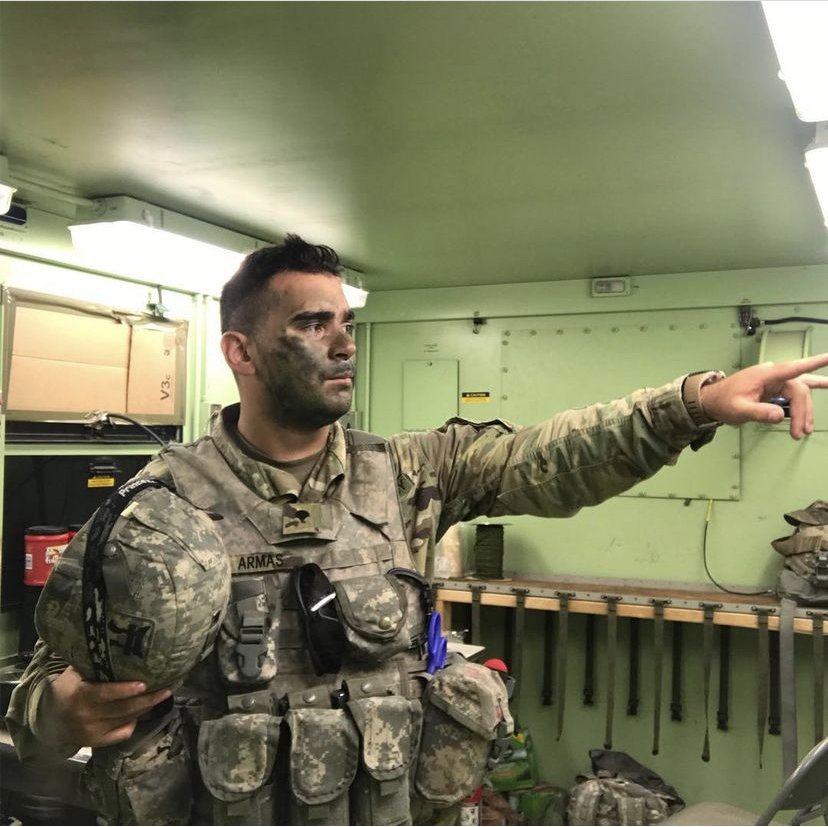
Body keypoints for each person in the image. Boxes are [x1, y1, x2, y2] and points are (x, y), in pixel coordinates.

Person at [8, 234, 828, 825]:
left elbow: (552, 456)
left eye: (345, 322)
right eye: (310, 324)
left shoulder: (403, 474)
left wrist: (692, 403)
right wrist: (57, 709)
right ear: (241, 351)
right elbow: (39, 691)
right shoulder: (159, 505)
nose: (342, 344)